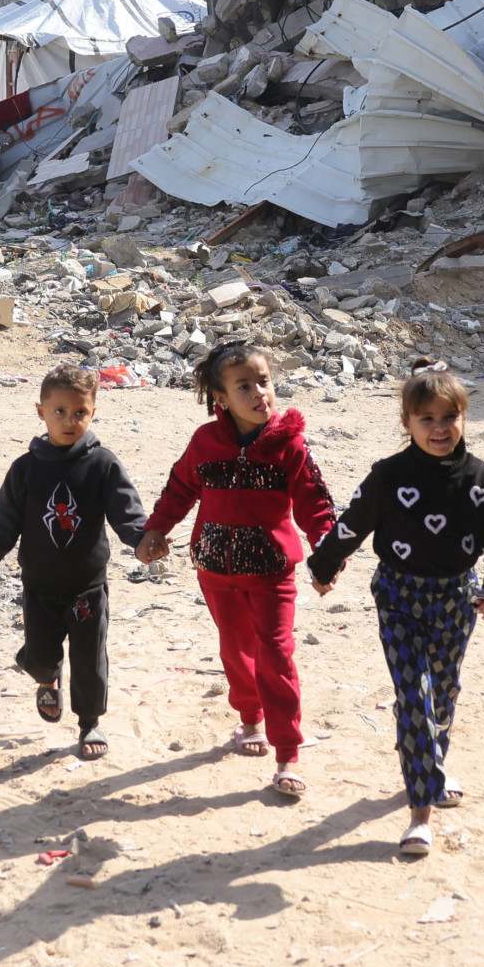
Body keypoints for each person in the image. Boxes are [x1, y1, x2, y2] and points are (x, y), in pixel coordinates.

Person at [306, 361, 484, 858]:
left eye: (449, 418)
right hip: (399, 597)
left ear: (464, 418)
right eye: (426, 419)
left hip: (455, 599)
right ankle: (420, 811)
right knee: (414, 696)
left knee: (442, 693)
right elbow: (352, 523)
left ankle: (429, 765)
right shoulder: (388, 476)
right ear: (407, 423)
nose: (439, 429)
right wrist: (324, 564)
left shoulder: (481, 480)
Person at [137, 340, 335, 800]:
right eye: (244, 386)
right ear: (221, 398)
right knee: (234, 649)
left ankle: (288, 752)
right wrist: (156, 530)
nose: (258, 393)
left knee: (277, 653)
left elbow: (316, 507)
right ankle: (249, 716)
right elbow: (180, 488)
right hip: (216, 569)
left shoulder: (291, 446)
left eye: (264, 382)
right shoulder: (206, 442)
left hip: (271, 572)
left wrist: (327, 553)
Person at [0, 360, 146, 760]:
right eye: (59, 411)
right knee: (39, 655)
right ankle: (46, 677)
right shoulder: (25, 471)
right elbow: (1, 528)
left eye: (80, 413)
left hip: (88, 585)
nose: (70, 420)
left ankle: (89, 723)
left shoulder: (103, 465)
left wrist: (143, 542)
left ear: (93, 412)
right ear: (41, 411)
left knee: (89, 658)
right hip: (39, 586)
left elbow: (128, 513)